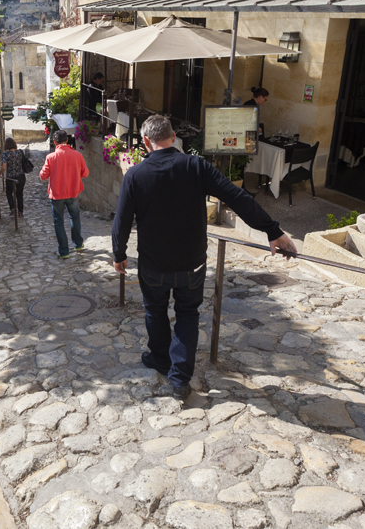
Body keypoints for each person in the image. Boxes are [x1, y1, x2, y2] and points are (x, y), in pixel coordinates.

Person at [112, 115, 296, 399]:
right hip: (192, 263)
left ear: (146, 142)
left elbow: (121, 221)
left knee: (155, 311)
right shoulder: (195, 166)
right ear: (174, 137)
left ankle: (160, 359)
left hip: (153, 264)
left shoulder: (135, 175)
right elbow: (238, 197)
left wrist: (119, 254)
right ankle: (180, 379)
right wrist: (272, 230)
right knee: (187, 314)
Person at [39, 129, 90, 259]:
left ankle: (64, 251)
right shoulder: (77, 155)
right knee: (75, 217)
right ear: (67, 140)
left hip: (57, 194)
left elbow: (43, 176)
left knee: (59, 222)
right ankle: (78, 244)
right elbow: (85, 173)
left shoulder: (50, 157)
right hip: (73, 192)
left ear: (55, 142)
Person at [0, 137, 26, 217]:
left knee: (9, 192)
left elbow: (4, 167)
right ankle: (20, 212)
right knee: (19, 194)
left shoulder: (5, 154)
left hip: (10, 177)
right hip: (20, 176)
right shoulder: (20, 152)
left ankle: (12, 209)